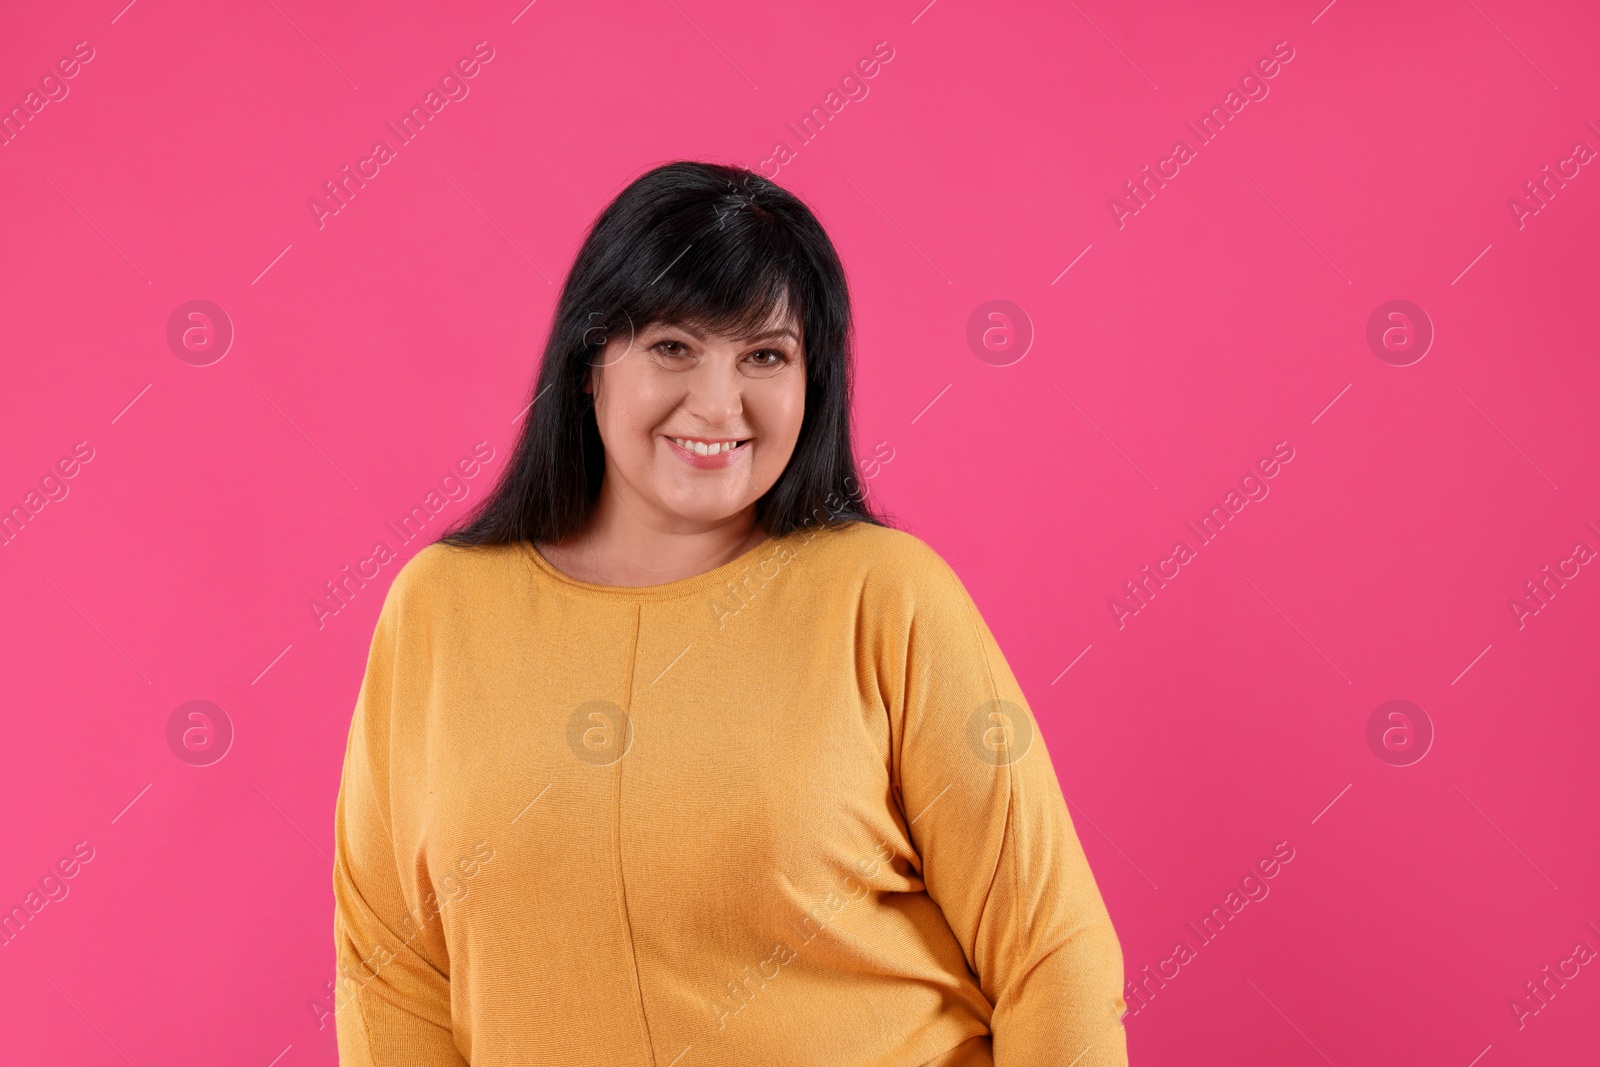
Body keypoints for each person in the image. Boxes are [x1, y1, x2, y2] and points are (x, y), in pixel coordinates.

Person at [331, 160, 1129, 1066]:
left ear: (811, 381)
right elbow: (388, 971)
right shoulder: (438, 610)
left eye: (765, 355)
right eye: (673, 345)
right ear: (592, 361)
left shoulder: (888, 597)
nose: (719, 404)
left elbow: (1050, 953)